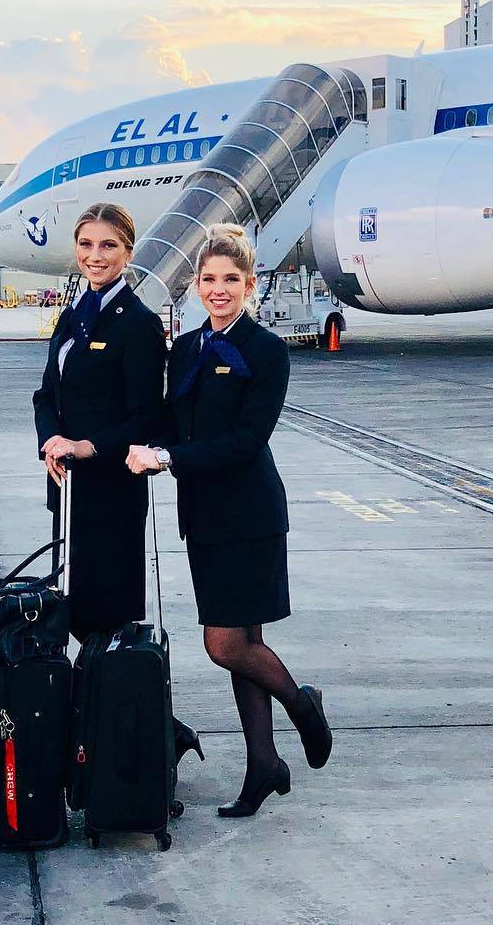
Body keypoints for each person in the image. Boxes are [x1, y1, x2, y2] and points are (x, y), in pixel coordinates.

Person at [127, 224, 332, 817]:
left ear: (250, 284)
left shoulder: (266, 351)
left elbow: (246, 441)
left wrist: (168, 458)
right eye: (209, 280)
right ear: (195, 285)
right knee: (245, 642)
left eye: (231, 280)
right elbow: (172, 422)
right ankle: (263, 764)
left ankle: (302, 704)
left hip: (250, 513)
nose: (219, 290)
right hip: (202, 515)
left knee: (225, 645)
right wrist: (144, 447)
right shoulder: (186, 350)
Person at [33, 202, 203, 764]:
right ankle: (115, 721)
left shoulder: (138, 324)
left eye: (107, 245)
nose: (94, 256)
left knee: (110, 615)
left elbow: (146, 420)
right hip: (71, 491)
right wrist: (51, 440)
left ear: (129, 252)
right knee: (75, 610)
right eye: (86, 244)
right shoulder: (73, 313)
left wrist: (87, 446)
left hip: (112, 492)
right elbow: (45, 395)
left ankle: (141, 725)